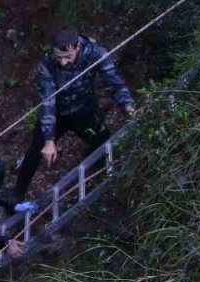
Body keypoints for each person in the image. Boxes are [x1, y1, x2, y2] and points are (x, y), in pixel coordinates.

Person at [14, 28, 136, 199]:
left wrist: (128, 106)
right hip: (56, 115)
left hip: (84, 110)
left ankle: (112, 180)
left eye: (67, 57)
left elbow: (114, 82)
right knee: (35, 151)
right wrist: (49, 140)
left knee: (103, 142)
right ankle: (17, 195)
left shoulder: (95, 53)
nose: (63, 62)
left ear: (76, 47)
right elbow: (47, 102)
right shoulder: (46, 65)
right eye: (59, 58)